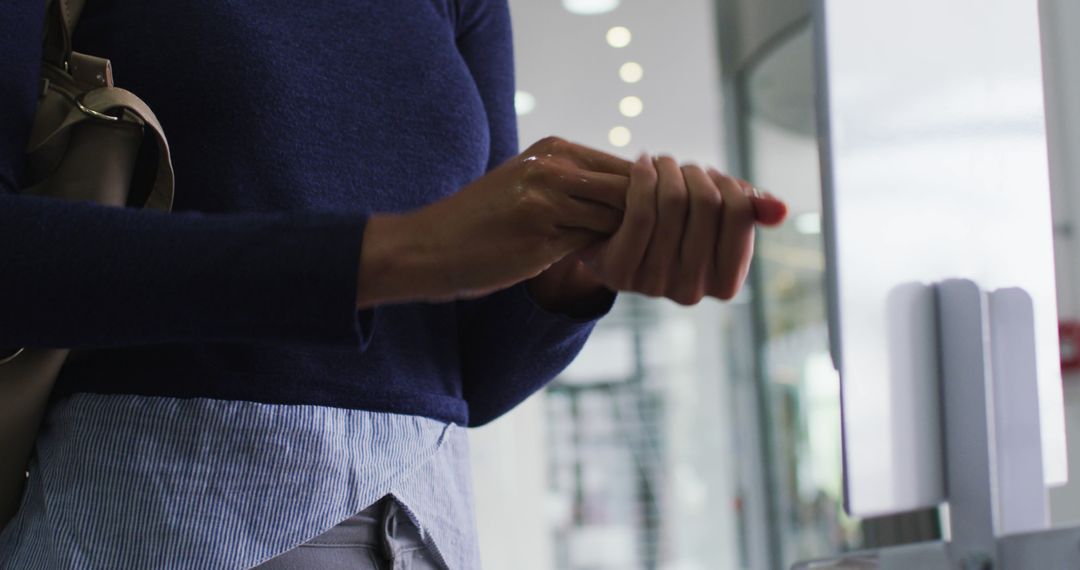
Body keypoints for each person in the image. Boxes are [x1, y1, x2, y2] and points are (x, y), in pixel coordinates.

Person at [0, 0, 787, 568]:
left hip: (429, 525)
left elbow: (464, 370)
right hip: (164, 515)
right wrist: (399, 252)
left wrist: (567, 280)